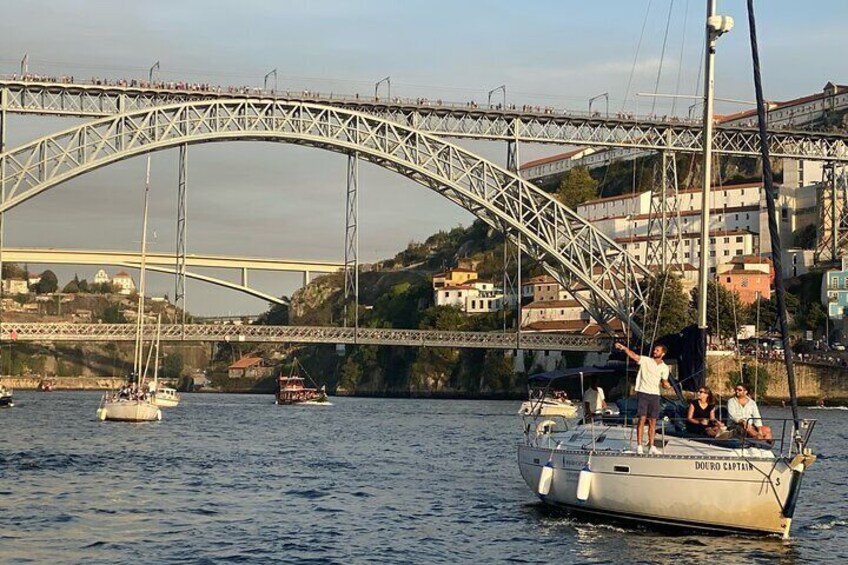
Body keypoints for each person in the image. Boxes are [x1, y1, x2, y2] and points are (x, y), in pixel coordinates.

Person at [615, 342, 672, 454]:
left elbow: (664, 382)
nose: (655, 352)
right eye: (654, 350)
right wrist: (624, 348)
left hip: (655, 395)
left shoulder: (664, 368)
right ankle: (639, 445)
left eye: (657, 350)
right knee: (642, 419)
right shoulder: (646, 360)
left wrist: (666, 385)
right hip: (643, 393)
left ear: (663, 353)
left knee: (653, 421)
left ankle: (651, 446)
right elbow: (634, 356)